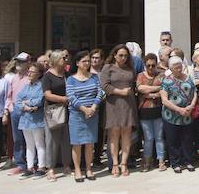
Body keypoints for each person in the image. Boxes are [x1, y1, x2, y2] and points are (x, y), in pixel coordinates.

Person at [100, 44, 138, 177]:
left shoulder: (130, 69)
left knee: (127, 134)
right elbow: (104, 86)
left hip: (128, 104)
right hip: (113, 104)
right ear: (114, 55)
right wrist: (120, 92)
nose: (123, 58)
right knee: (114, 134)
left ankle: (124, 163)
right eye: (120, 55)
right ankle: (115, 163)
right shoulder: (107, 68)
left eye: (125, 56)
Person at [67, 50, 102, 182]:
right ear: (77, 63)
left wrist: (93, 107)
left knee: (89, 143)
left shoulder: (94, 77)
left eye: (88, 61)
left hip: (92, 114)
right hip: (77, 115)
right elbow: (71, 96)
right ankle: (77, 170)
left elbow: (100, 92)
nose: (87, 63)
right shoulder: (71, 79)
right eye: (84, 61)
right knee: (77, 144)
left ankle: (88, 168)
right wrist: (84, 109)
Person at [159, 55, 197, 173]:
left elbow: (194, 92)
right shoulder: (166, 81)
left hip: (187, 115)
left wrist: (191, 106)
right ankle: (175, 163)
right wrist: (179, 109)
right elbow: (164, 100)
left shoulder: (188, 78)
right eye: (176, 67)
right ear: (171, 68)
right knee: (173, 140)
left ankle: (188, 161)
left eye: (180, 67)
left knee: (187, 139)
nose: (179, 69)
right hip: (172, 116)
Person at [42, 50, 72, 181]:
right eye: (62, 58)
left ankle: (66, 165)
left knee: (66, 139)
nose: (64, 60)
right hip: (54, 111)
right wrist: (63, 99)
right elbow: (47, 94)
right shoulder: (47, 76)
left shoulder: (66, 74)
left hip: (67, 110)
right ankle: (50, 169)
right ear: (54, 60)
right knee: (52, 141)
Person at [136, 54, 166, 172]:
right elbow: (140, 88)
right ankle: (147, 160)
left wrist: (150, 94)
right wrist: (156, 89)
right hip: (145, 110)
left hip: (158, 109)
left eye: (153, 65)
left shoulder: (161, 75)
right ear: (145, 65)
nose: (150, 67)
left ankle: (161, 161)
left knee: (159, 137)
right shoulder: (140, 76)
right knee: (148, 138)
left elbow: (164, 90)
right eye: (148, 65)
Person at [16, 64, 46, 178]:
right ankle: (30, 167)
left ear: (39, 74)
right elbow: (18, 100)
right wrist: (24, 106)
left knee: (39, 143)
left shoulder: (41, 85)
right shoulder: (26, 86)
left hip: (37, 119)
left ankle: (41, 166)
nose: (29, 73)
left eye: (33, 71)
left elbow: (38, 100)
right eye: (29, 71)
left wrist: (27, 102)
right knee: (29, 145)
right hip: (25, 119)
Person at [5, 52, 32, 175]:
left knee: (29, 138)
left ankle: (32, 163)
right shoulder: (13, 78)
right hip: (15, 110)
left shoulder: (30, 77)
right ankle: (20, 164)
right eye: (18, 61)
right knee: (17, 139)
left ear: (28, 63)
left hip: (27, 110)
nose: (19, 64)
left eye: (22, 61)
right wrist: (10, 108)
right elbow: (8, 95)